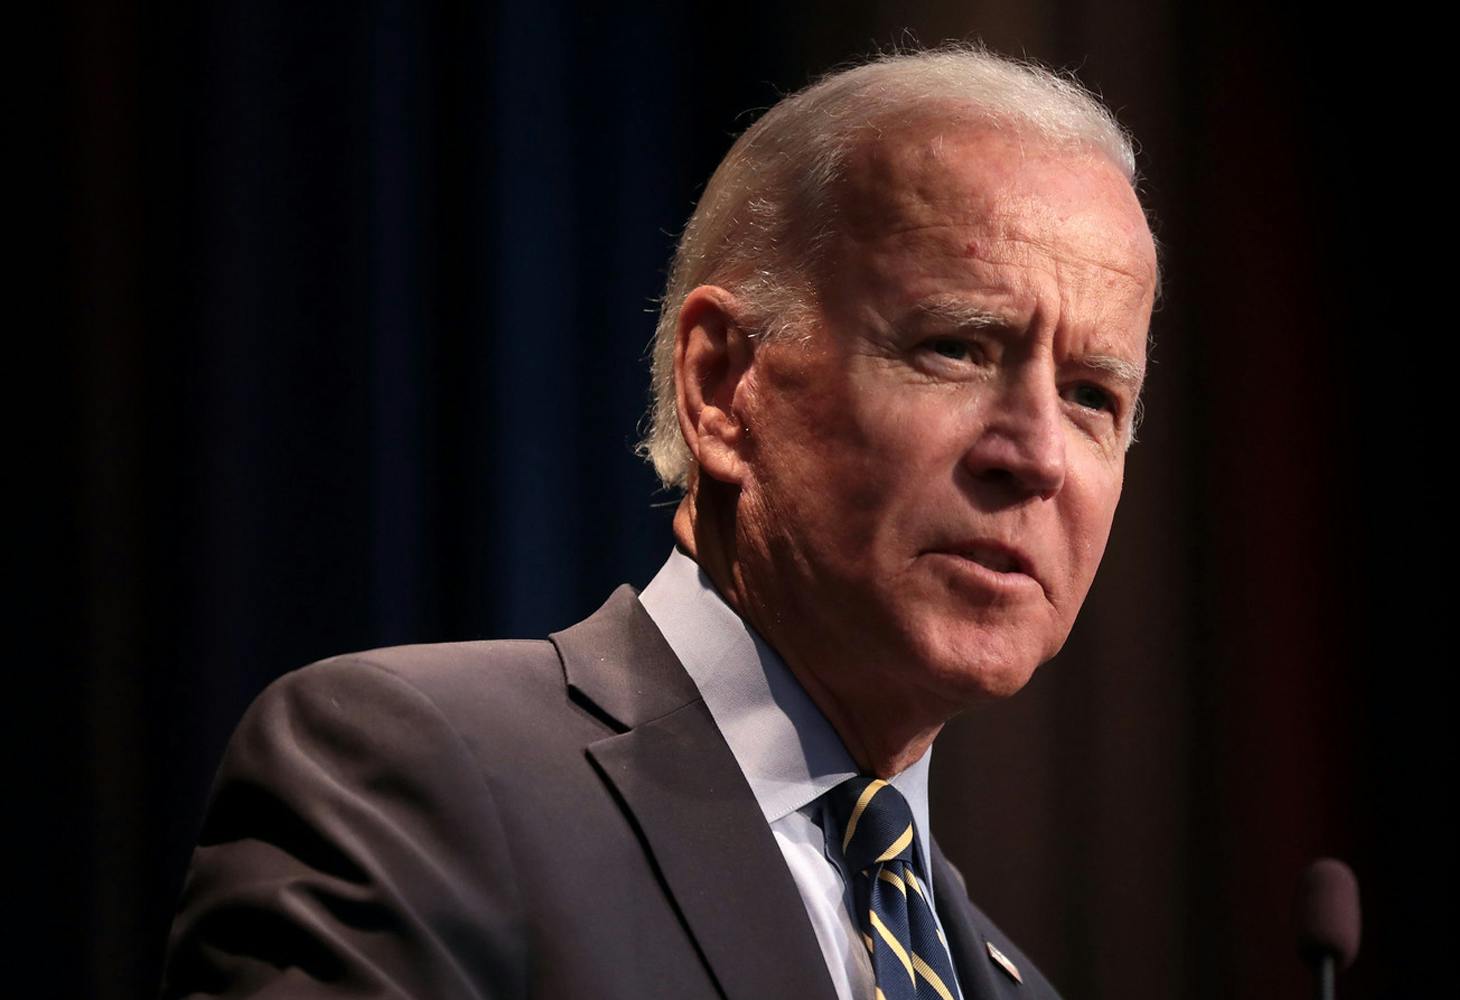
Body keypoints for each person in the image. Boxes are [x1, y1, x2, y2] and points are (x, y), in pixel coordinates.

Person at [161, 45, 1158, 1000]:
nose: (1032, 456)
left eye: (1090, 396)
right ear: (722, 384)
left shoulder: (1003, 979)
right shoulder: (421, 782)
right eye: (953, 347)